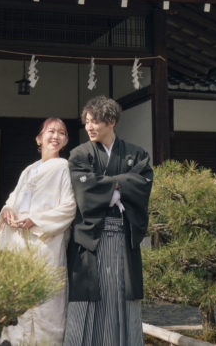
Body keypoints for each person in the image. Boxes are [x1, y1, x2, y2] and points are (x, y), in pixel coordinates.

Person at [63, 96, 153, 346]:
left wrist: (108, 186)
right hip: (90, 240)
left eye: (95, 122)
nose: (89, 127)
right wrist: (121, 186)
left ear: (111, 121)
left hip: (123, 237)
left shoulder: (137, 154)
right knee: (88, 297)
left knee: (121, 293)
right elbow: (84, 187)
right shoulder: (79, 154)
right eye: (87, 122)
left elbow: (142, 184)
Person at [0, 117, 77, 346]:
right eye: (51, 131)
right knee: (15, 291)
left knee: (45, 298)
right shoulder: (28, 169)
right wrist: (8, 210)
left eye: (61, 133)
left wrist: (36, 220)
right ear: (39, 138)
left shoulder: (64, 167)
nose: (56, 136)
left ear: (66, 140)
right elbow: (14, 198)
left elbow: (69, 207)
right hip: (17, 240)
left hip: (44, 242)